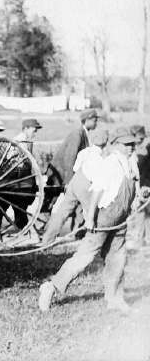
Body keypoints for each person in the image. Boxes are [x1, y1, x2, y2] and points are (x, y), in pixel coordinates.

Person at [39, 128, 138, 313]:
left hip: (120, 221)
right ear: (116, 145)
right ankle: (51, 287)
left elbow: (130, 190)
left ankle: (115, 298)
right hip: (104, 218)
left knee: (118, 258)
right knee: (85, 257)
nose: (130, 148)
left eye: (132, 144)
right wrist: (91, 218)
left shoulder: (131, 163)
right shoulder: (112, 163)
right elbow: (97, 191)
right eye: (126, 145)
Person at [42, 129, 109, 245]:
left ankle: (47, 239)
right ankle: (93, 238)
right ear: (106, 142)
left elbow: (75, 168)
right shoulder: (101, 158)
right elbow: (99, 181)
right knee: (92, 211)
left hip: (75, 180)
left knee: (62, 211)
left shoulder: (84, 152)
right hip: (86, 183)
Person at [0, 119, 42, 232]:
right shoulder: (21, 141)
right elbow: (16, 162)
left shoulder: (23, 140)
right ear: (26, 128)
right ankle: (19, 226)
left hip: (16, 179)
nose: (35, 132)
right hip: (17, 180)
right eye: (34, 129)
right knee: (17, 203)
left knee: (6, 205)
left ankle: (1, 225)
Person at [52, 109, 99, 185]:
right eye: (94, 120)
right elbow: (70, 158)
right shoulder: (77, 135)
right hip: (59, 174)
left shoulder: (83, 133)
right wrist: (69, 181)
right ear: (86, 120)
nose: (96, 123)